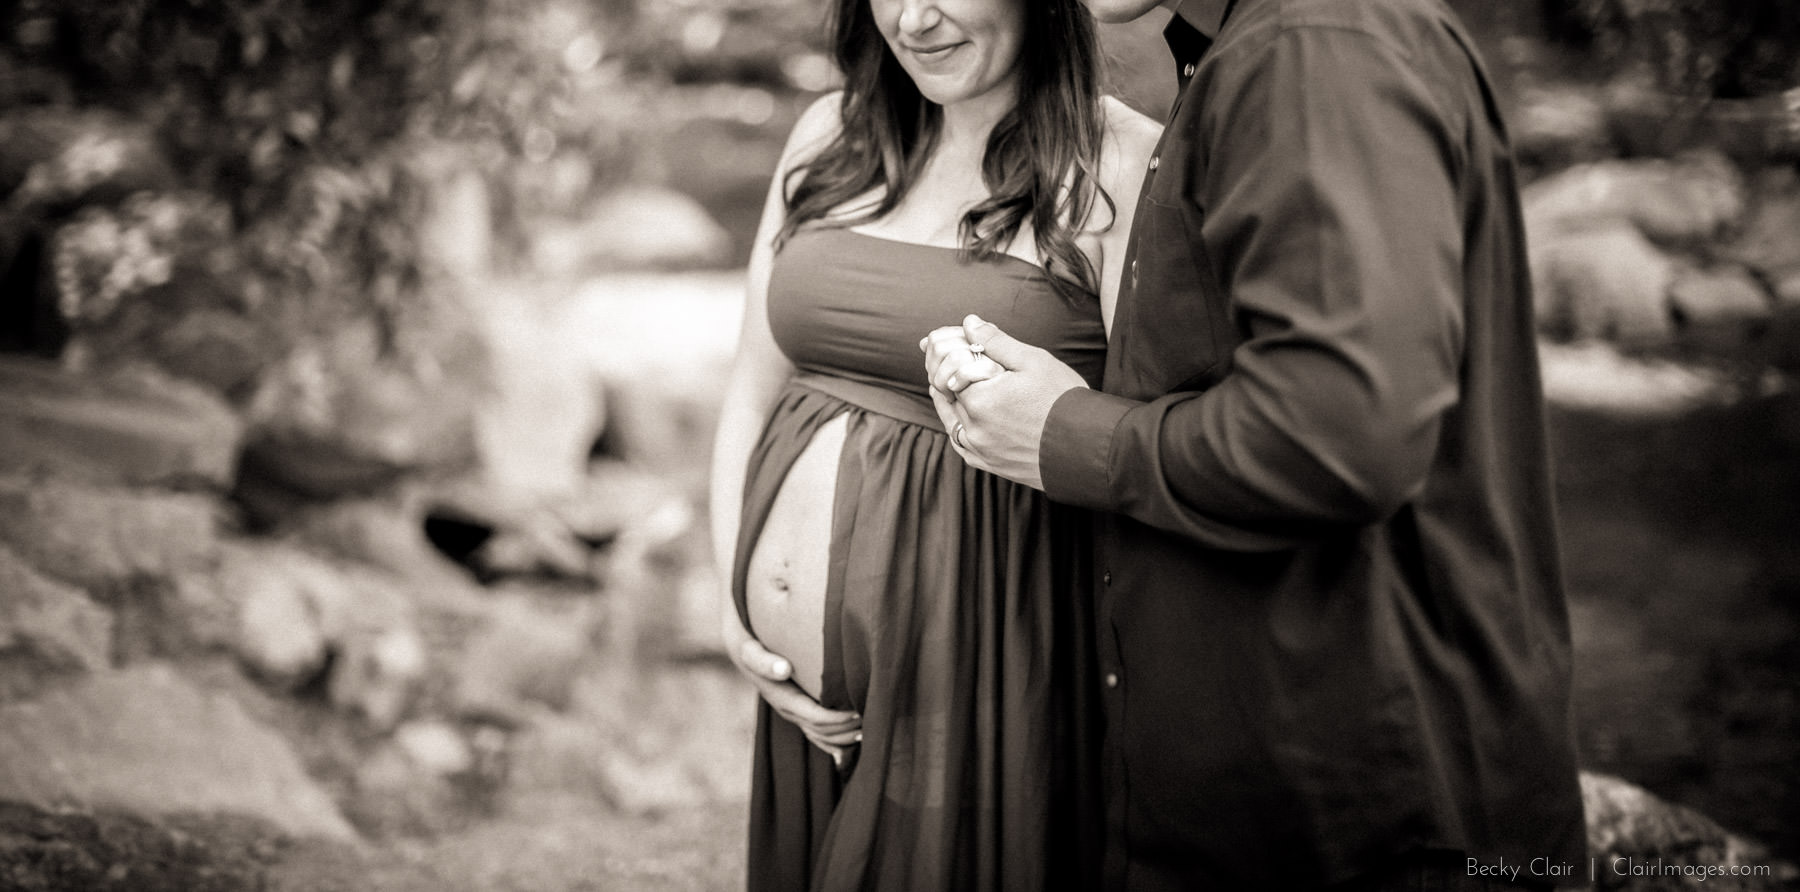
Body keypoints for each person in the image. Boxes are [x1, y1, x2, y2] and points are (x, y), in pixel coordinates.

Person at [924, 0, 1587, 889]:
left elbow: (1339, 438)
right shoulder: (1240, 51)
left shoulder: (1315, 46)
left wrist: (1063, 432)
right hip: (1275, 798)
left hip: (1368, 825)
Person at [707, 0, 1161, 887]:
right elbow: (752, 392)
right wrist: (734, 601)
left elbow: (1136, 440)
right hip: (798, 702)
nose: (914, 19)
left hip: (983, 663)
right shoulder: (829, 134)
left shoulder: (1124, 162)